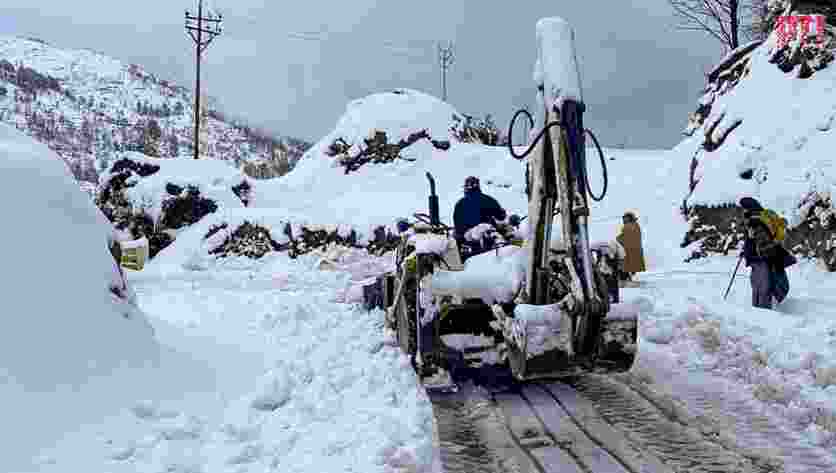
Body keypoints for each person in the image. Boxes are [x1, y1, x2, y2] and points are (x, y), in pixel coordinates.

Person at [739, 197, 797, 309]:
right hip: (764, 259)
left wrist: (750, 251)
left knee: (762, 288)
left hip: (761, 260)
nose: (742, 211)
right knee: (760, 286)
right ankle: (760, 311)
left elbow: (762, 244)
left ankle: (763, 313)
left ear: (748, 208)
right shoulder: (761, 218)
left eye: (743, 208)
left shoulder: (755, 222)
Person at [453, 176, 507, 260]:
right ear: (478, 186)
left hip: (469, 238)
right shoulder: (488, 199)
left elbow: (457, 225)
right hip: (488, 234)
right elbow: (501, 216)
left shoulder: (459, 204)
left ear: (466, 188)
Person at [616, 211, 646, 282]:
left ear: (629, 218)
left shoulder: (628, 226)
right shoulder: (636, 225)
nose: (624, 220)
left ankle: (625, 278)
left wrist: (618, 238)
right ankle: (628, 277)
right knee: (629, 266)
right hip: (635, 250)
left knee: (624, 265)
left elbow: (625, 237)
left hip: (629, 250)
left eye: (625, 218)